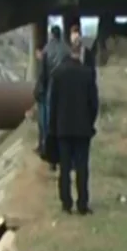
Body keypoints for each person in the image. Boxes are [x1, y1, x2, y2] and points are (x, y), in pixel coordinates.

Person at [48, 34, 100, 215]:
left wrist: (53, 127)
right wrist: (89, 121)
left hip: (63, 128)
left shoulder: (58, 74)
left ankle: (66, 203)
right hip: (82, 129)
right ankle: (82, 203)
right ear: (81, 51)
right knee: (82, 167)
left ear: (70, 50)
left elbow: (52, 104)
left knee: (64, 168)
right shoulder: (87, 74)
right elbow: (94, 104)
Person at [37, 25, 68, 163]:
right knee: (62, 121)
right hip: (64, 89)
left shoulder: (46, 50)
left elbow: (43, 73)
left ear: (51, 35)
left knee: (49, 122)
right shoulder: (66, 50)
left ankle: (48, 152)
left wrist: (40, 89)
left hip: (51, 87)